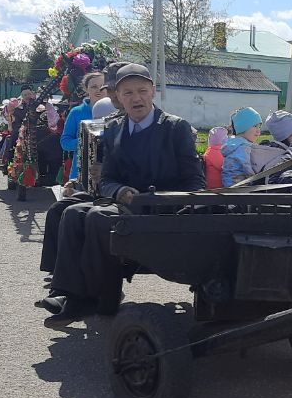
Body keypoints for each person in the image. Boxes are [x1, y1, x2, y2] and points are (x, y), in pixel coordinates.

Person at [42, 63, 204, 325]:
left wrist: (182, 207)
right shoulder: (115, 127)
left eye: (142, 90)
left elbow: (195, 180)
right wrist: (120, 190)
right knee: (71, 213)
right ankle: (69, 294)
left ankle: (102, 299)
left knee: (97, 217)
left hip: (162, 208)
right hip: (126, 203)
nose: (136, 98)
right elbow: (107, 178)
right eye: (127, 93)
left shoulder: (175, 128)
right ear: (118, 96)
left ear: (153, 92)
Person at [38, 91, 118, 275]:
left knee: (80, 215)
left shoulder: (127, 131)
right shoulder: (94, 134)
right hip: (96, 191)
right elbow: (88, 166)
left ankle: (79, 279)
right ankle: (57, 272)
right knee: (58, 209)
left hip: (117, 194)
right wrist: (75, 182)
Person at [60, 67, 115, 185]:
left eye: (102, 86)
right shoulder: (76, 112)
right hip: (81, 172)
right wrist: (87, 142)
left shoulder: (117, 110)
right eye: (93, 87)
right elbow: (65, 142)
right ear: (86, 89)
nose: (99, 90)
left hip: (110, 173)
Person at [221, 107, 262, 186]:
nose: (258, 131)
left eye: (259, 126)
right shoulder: (243, 147)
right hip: (240, 190)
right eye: (255, 126)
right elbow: (251, 170)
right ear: (243, 127)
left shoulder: (234, 144)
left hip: (229, 187)